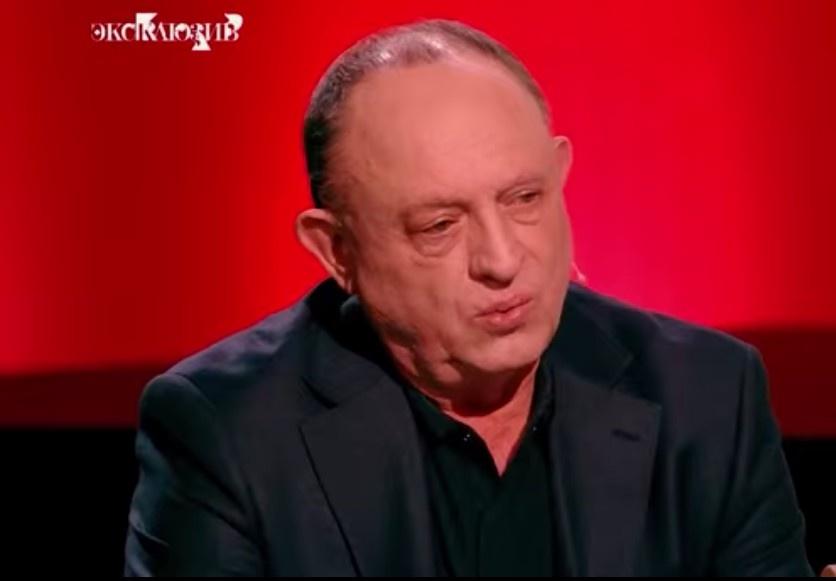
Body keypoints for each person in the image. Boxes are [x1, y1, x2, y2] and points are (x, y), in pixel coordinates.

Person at [124, 19, 814, 576]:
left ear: (560, 175)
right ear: (338, 251)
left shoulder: (708, 397)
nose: (502, 260)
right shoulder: (229, 433)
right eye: (440, 226)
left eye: (524, 198)